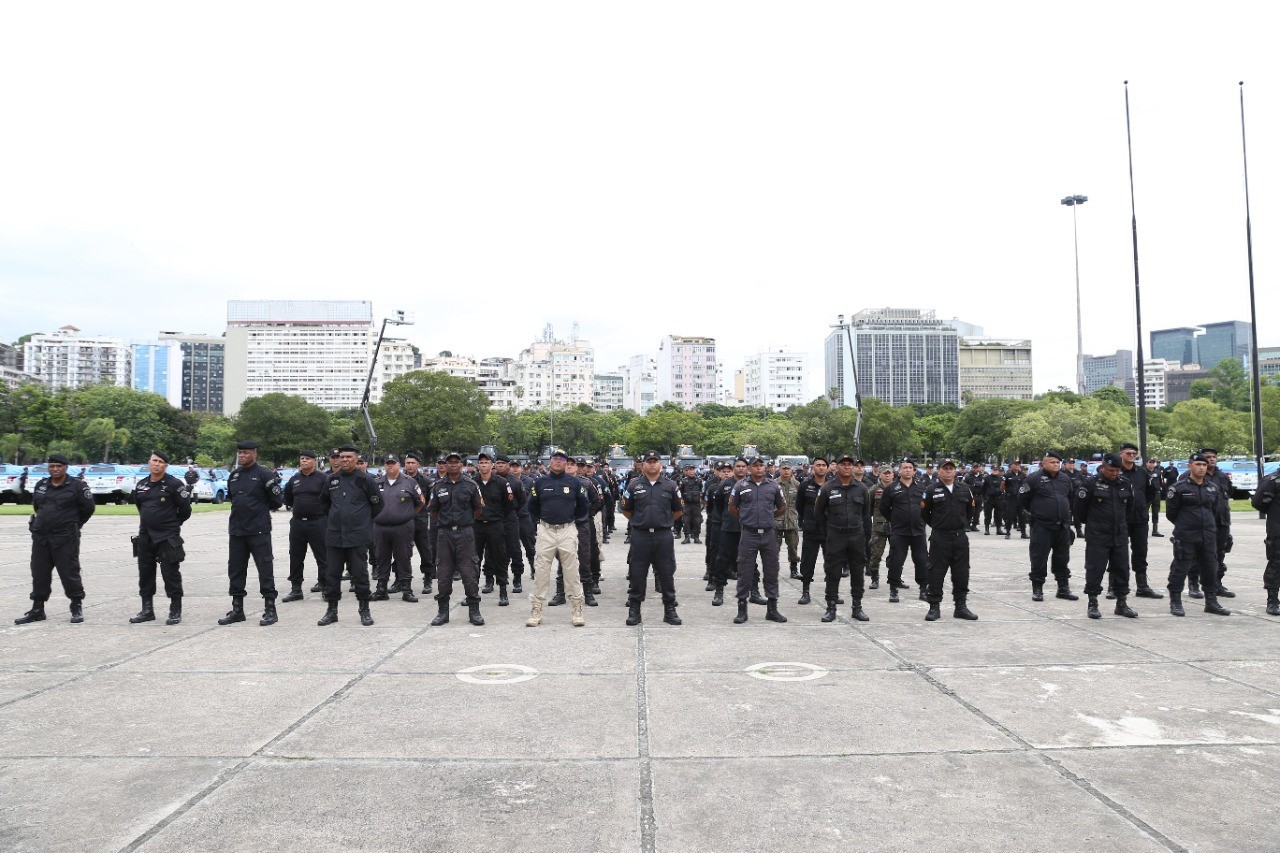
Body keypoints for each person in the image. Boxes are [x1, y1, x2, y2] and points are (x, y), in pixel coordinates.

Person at [14, 453, 95, 625]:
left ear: (66, 467)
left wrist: (74, 525)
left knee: (69, 572)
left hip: (65, 537)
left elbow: (88, 509)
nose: (55, 469)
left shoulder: (77, 486)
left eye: (59, 466)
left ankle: (76, 606)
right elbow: (37, 506)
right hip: (41, 537)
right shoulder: (41, 485)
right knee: (39, 573)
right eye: (52, 466)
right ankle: (37, 609)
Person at [220, 440, 284, 626]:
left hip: (259, 530)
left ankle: (270, 609)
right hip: (237, 530)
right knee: (236, 570)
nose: (242, 456)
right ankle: (237, 609)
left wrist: (259, 511)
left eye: (246, 453)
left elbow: (277, 501)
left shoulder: (264, 475)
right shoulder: (234, 476)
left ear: (254, 454)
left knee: (265, 569)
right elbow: (233, 499)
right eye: (240, 453)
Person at [317, 445, 381, 627]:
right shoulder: (332, 480)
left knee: (360, 574)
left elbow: (377, 505)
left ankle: (364, 610)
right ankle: (332, 611)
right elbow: (324, 504)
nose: (344, 460)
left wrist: (362, 522)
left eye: (348, 457)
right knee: (332, 574)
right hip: (335, 536)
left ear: (356, 459)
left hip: (357, 536)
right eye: (341, 457)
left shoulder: (366, 480)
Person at [526, 450, 589, 627]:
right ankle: (536, 610)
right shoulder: (540, 482)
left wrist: (569, 517)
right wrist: (544, 520)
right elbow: (532, 506)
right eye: (555, 459)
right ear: (550, 462)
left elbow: (583, 506)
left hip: (566, 530)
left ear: (566, 463)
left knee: (571, 571)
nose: (558, 462)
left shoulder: (574, 482)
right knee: (541, 571)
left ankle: (577, 609)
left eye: (562, 459)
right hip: (546, 531)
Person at [621, 450, 684, 626]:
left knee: (666, 573)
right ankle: (634, 610)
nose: (652, 464)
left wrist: (666, 522)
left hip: (663, 536)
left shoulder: (670, 486)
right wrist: (637, 521)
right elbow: (625, 508)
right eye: (648, 461)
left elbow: (678, 510)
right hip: (640, 536)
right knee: (637, 573)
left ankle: (669, 610)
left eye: (655, 461)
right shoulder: (634, 485)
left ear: (660, 464)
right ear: (643, 464)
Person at [129, 451, 192, 625]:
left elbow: (185, 510)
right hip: (146, 536)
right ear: (149, 463)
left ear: (166, 466)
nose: (157, 464)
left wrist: (172, 524)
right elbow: (141, 508)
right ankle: (147, 610)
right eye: (154, 461)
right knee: (145, 574)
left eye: (161, 462)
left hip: (167, 536)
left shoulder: (174, 484)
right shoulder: (141, 485)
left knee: (170, 574)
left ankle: (175, 610)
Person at [1165, 452, 1230, 617]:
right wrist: (1186, 524)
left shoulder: (1212, 487)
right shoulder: (1179, 488)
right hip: (1186, 535)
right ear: (1189, 466)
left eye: (1204, 465)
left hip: (1207, 535)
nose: (1201, 468)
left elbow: (1213, 510)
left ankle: (1211, 602)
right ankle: (1176, 601)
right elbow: (1171, 513)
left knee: (1210, 568)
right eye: (1197, 465)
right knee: (1180, 568)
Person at [1075, 453, 1139, 619]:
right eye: (1111, 470)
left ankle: (1122, 603)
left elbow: (1130, 509)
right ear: (1102, 467)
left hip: (1120, 535)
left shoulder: (1125, 484)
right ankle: (1093, 602)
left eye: (1117, 470)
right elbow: (1079, 510)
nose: (1114, 474)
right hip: (1098, 535)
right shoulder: (1090, 484)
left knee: (1122, 569)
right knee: (1095, 569)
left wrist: (1122, 526)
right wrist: (1093, 524)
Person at [428, 452, 486, 627]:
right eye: (450, 462)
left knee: (469, 571)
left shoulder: (471, 485)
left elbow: (478, 508)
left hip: (465, 533)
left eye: (456, 462)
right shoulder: (437, 486)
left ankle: (474, 610)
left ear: (461, 465)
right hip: (445, 534)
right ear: (445, 465)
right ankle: (443, 612)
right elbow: (434, 511)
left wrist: (463, 522)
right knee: (444, 573)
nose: (453, 465)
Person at [813, 454, 873, 623]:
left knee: (857, 572)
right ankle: (831, 607)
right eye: (843, 464)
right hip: (835, 535)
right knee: (833, 572)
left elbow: (865, 513)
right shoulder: (827, 488)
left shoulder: (861, 488)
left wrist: (864, 534)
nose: (847, 467)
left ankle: (857, 607)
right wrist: (827, 533)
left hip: (856, 536)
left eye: (849, 464)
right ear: (837, 467)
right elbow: (819, 513)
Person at [729, 457, 786, 624]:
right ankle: (742, 610)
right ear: (749, 468)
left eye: (762, 465)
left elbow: (782, 507)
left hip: (769, 534)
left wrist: (768, 518)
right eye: (755, 466)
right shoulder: (740, 486)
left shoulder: (773, 486)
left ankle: (772, 609)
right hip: (749, 534)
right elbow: (732, 507)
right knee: (744, 571)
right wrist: (747, 519)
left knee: (771, 570)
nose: (759, 468)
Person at [1016, 451, 1078, 602]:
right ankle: (1038, 589)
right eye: (1052, 462)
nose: (1056, 465)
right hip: (1042, 526)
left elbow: (1069, 498)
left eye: (1057, 462)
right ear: (1043, 464)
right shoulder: (1033, 478)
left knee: (1062, 558)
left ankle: (1063, 588)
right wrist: (1035, 513)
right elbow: (1023, 499)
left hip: (1062, 526)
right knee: (1039, 558)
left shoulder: (1065, 479)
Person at [921, 458, 978, 621]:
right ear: (939, 471)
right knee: (936, 572)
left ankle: (960, 606)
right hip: (940, 537)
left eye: (951, 468)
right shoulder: (931, 489)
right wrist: (939, 526)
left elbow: (970, 511)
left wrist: (960, 524)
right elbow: (924, 513)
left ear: (955, 471)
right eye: (944, 468)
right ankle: (934, 607)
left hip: (960, 537)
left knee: (962, 572)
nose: (948, 471)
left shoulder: (965, 489)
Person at [371, 454, 425, 603]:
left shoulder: (410, 482)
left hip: (403, 528)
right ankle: (381, 589)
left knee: (403, 557)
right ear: (384, 466)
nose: (390, 466)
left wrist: (408, 515)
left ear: (399, 465)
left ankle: (406, 589)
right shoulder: (376, 483)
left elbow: (420, 502)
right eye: (387, 464)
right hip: (381, 528)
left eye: (393, 463)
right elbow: (370, 503)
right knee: (381, 558)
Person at [1116, 442, 1163, 600]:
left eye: (1134, 454)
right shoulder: (1114, 471)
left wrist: (1142, 505)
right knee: (1117, 553)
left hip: (1140, 518)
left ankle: (1142, 586)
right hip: (1120, 519)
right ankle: (1113, 586)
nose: (1131, 456)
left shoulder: (1142, 473)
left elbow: (1150, 492)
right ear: (1121, 453)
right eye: (1128, 453)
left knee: (1141, 552)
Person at [282, 450, 328, 602]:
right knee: (295, 556)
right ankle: (296, 589)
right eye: (302, 459)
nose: (304, 461)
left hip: (318, 522)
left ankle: (325, 586)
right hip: (298, 523)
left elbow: (330, 499)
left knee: (323, 556)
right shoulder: (294, 479)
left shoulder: (323, 478)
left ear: (314, 461)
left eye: (307, 459)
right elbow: (288, 498)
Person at [881, 459, 927, 602]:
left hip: (918, 531)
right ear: (899, 471)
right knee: (896, 560)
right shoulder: (891, 488)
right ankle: (893, 589)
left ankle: (923, 589)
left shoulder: (922, 487)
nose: (908, 470)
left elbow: (928, 507)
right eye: (905, 468)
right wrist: (896, 520)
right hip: (899, 532)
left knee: (922, 560)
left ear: (914, 471)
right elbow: (884, 509)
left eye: (910, 468)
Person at [473, 451, 514, 604]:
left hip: (495, 525)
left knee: (500, 558)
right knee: (473, 560)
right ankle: (472, 592)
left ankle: (503, 591)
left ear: (492, 465)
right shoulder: (472, 483)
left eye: (486, 462)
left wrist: (497, 517)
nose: (483, 465)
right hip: (476, 526)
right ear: (478, 465)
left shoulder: (502, 483)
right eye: (481, 462)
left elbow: (509, 505)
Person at [709, 458, 748, 606]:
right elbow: (717, 504)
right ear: (734, 468)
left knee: (749, 561)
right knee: (722, 560)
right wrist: (727, 518)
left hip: (747, 529)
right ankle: (719, 591)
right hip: (728, 527)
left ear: (747, 468)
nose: (740, 469)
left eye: (743, 466)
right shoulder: (725, 485)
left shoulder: (752, 484)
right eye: (738, 466)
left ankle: (754, 591)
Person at [795, 457, 829, 605]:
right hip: (811, 529)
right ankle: (805, 591)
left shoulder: (833, 485)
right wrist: (807, 519)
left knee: (832, 562)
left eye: (823, 465)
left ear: (827, 468)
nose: (821, 468)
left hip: (830, 530)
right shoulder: (805, 485)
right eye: (818, 465)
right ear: (813, 468)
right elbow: (799, 506)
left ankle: (831, 592)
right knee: (808, 561)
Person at [403, 452, 436, 594]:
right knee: (401, 553)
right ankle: (401, 580)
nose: (410, 465)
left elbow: (430, 500)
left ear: (418, 465)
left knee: (425, 551)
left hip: (420, 521)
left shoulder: (426, 481)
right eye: (408, 463)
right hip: (402, 522)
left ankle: (428, 579)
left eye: (413, 463)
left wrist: (422, 511)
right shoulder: (400, 479)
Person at [1250, 467, 1280, 616]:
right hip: (1277, 531)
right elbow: (1258, 503)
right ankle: (1272, 600)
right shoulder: (1271, 481)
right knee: (1276, 565)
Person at [866, 466, 893, 590]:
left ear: (893, 475)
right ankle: (874, 578)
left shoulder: (897, 488)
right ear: (880, 475)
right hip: (879, 527)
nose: (887, 475)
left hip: (895, 527)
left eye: (889, 473)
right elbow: (868, 508)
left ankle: (894, 577)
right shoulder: (874, 489)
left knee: (897, 554)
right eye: (885, 473)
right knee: (876, 554)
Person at [775, 464, 800, 578]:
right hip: (776, 521)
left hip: (792, 520)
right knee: (774, 548)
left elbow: (800, 502)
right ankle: (772, 570)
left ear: (791, 470)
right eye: (784, 469)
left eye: (788, 469)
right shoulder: (773, 484)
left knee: (793, 547)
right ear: (779, 470)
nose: (786, 471)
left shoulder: (797, 484)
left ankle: (794, 570)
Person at [678, 464, 704, 545]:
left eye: (693, 469)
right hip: (687, 504)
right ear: (687, 471)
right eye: (690, 470)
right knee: (686, 520)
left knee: (697, 521)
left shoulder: (699, 481)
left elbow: (701, 489)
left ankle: (696, 537)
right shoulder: (683, 481)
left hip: (696, 504)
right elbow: (681, 491)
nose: (691, 471)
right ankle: (686, 537)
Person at [1146, 457, 1165, 537]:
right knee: (1145, 513)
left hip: (1156, 494)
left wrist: (1160, 490)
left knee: (1156, 512)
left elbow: (1161, 482)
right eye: (1150, 462)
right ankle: (1144, 529)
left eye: (1153, 462)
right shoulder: (1143, 471)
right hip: (1146, 494)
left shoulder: (1158, 472)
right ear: (1147, 463)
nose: (1152, 464)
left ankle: (1155, 530)